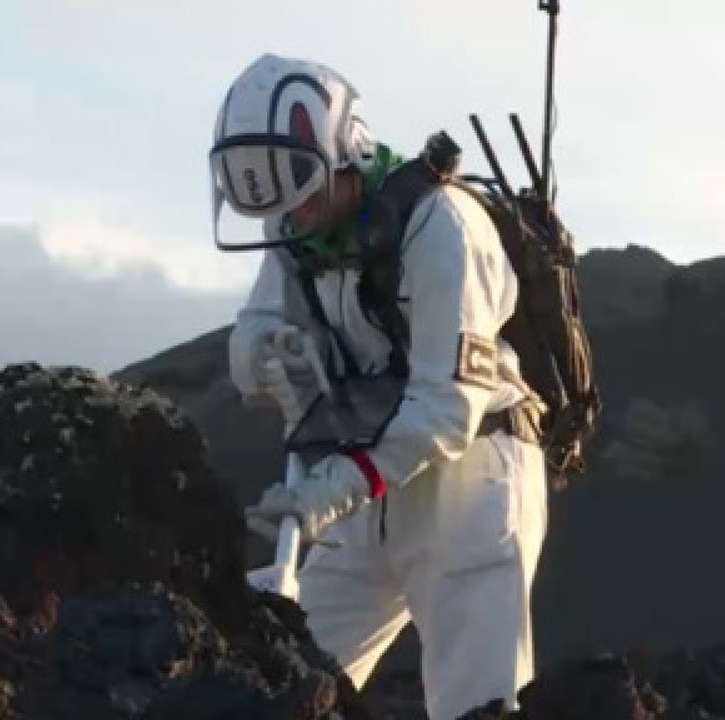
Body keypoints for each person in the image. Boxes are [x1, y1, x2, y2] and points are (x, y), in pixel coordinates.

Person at [209, 53, 549, 719]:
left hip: (471, 481)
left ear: (347, 153)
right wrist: (264, 354)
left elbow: (449, 407)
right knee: (293, 682)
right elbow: (253, 330)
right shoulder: (299, 231)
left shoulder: (441, 225)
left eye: (303, 189)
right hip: (368, 483)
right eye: (274, 202)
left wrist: (331, 489)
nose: (295, 215)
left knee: (476, 704)